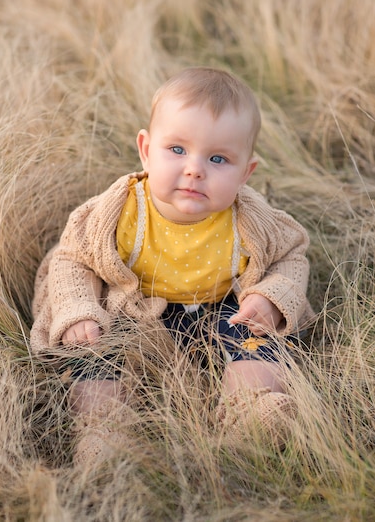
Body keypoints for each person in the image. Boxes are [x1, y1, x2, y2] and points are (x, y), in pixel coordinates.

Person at [30, 67, 316, 464]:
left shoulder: (251, 220)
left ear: (246, 172)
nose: (195, 169)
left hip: (220, 310)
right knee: (92, 347)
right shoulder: (120, 213)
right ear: (146, 150)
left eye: (218, 158)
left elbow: (290, 256)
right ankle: (104, 428)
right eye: (177, 150)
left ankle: (250, 408)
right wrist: (78, 310)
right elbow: (72, 259)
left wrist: (271, 298)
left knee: (255, 335)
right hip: (134, 311)